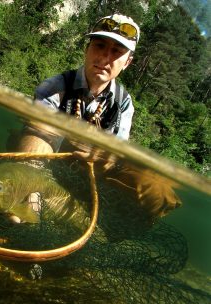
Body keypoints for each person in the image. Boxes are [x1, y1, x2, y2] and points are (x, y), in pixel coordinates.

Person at [14, 14, 181, 224]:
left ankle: (112, 230)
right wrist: (31, 192)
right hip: (49, 164)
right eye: (100, 46)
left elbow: (116, 153)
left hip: (91, 173)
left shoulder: (124, 103)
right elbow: (40, 134)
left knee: (159, 191)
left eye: (116, 52)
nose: (104, 57)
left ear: (127, 62)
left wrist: (101, 156)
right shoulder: (55, 87)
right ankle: (28, 196)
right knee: (39, 135)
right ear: (87, 49)